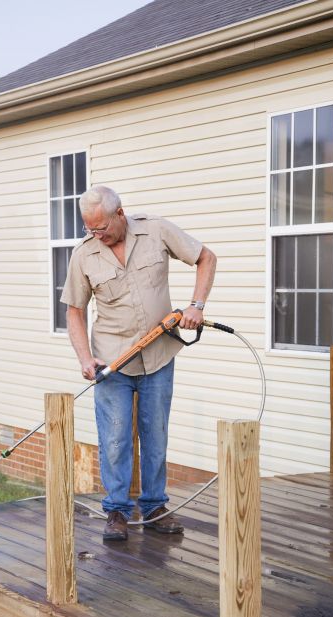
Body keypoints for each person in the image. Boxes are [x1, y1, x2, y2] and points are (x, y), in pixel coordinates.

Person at [61, 186, 216, 542]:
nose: (95, 235)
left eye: (101, 227)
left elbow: (206, 257)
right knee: (115, 438)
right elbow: (74, 311)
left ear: (120, 213)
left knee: (155, 435)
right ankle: (116, 511)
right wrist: (85, 359)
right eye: (89, 229)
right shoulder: (83, 255)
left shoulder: (156, 230)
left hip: (159, 354)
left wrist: (197, 306)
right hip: (111, 362)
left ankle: (154, 507)